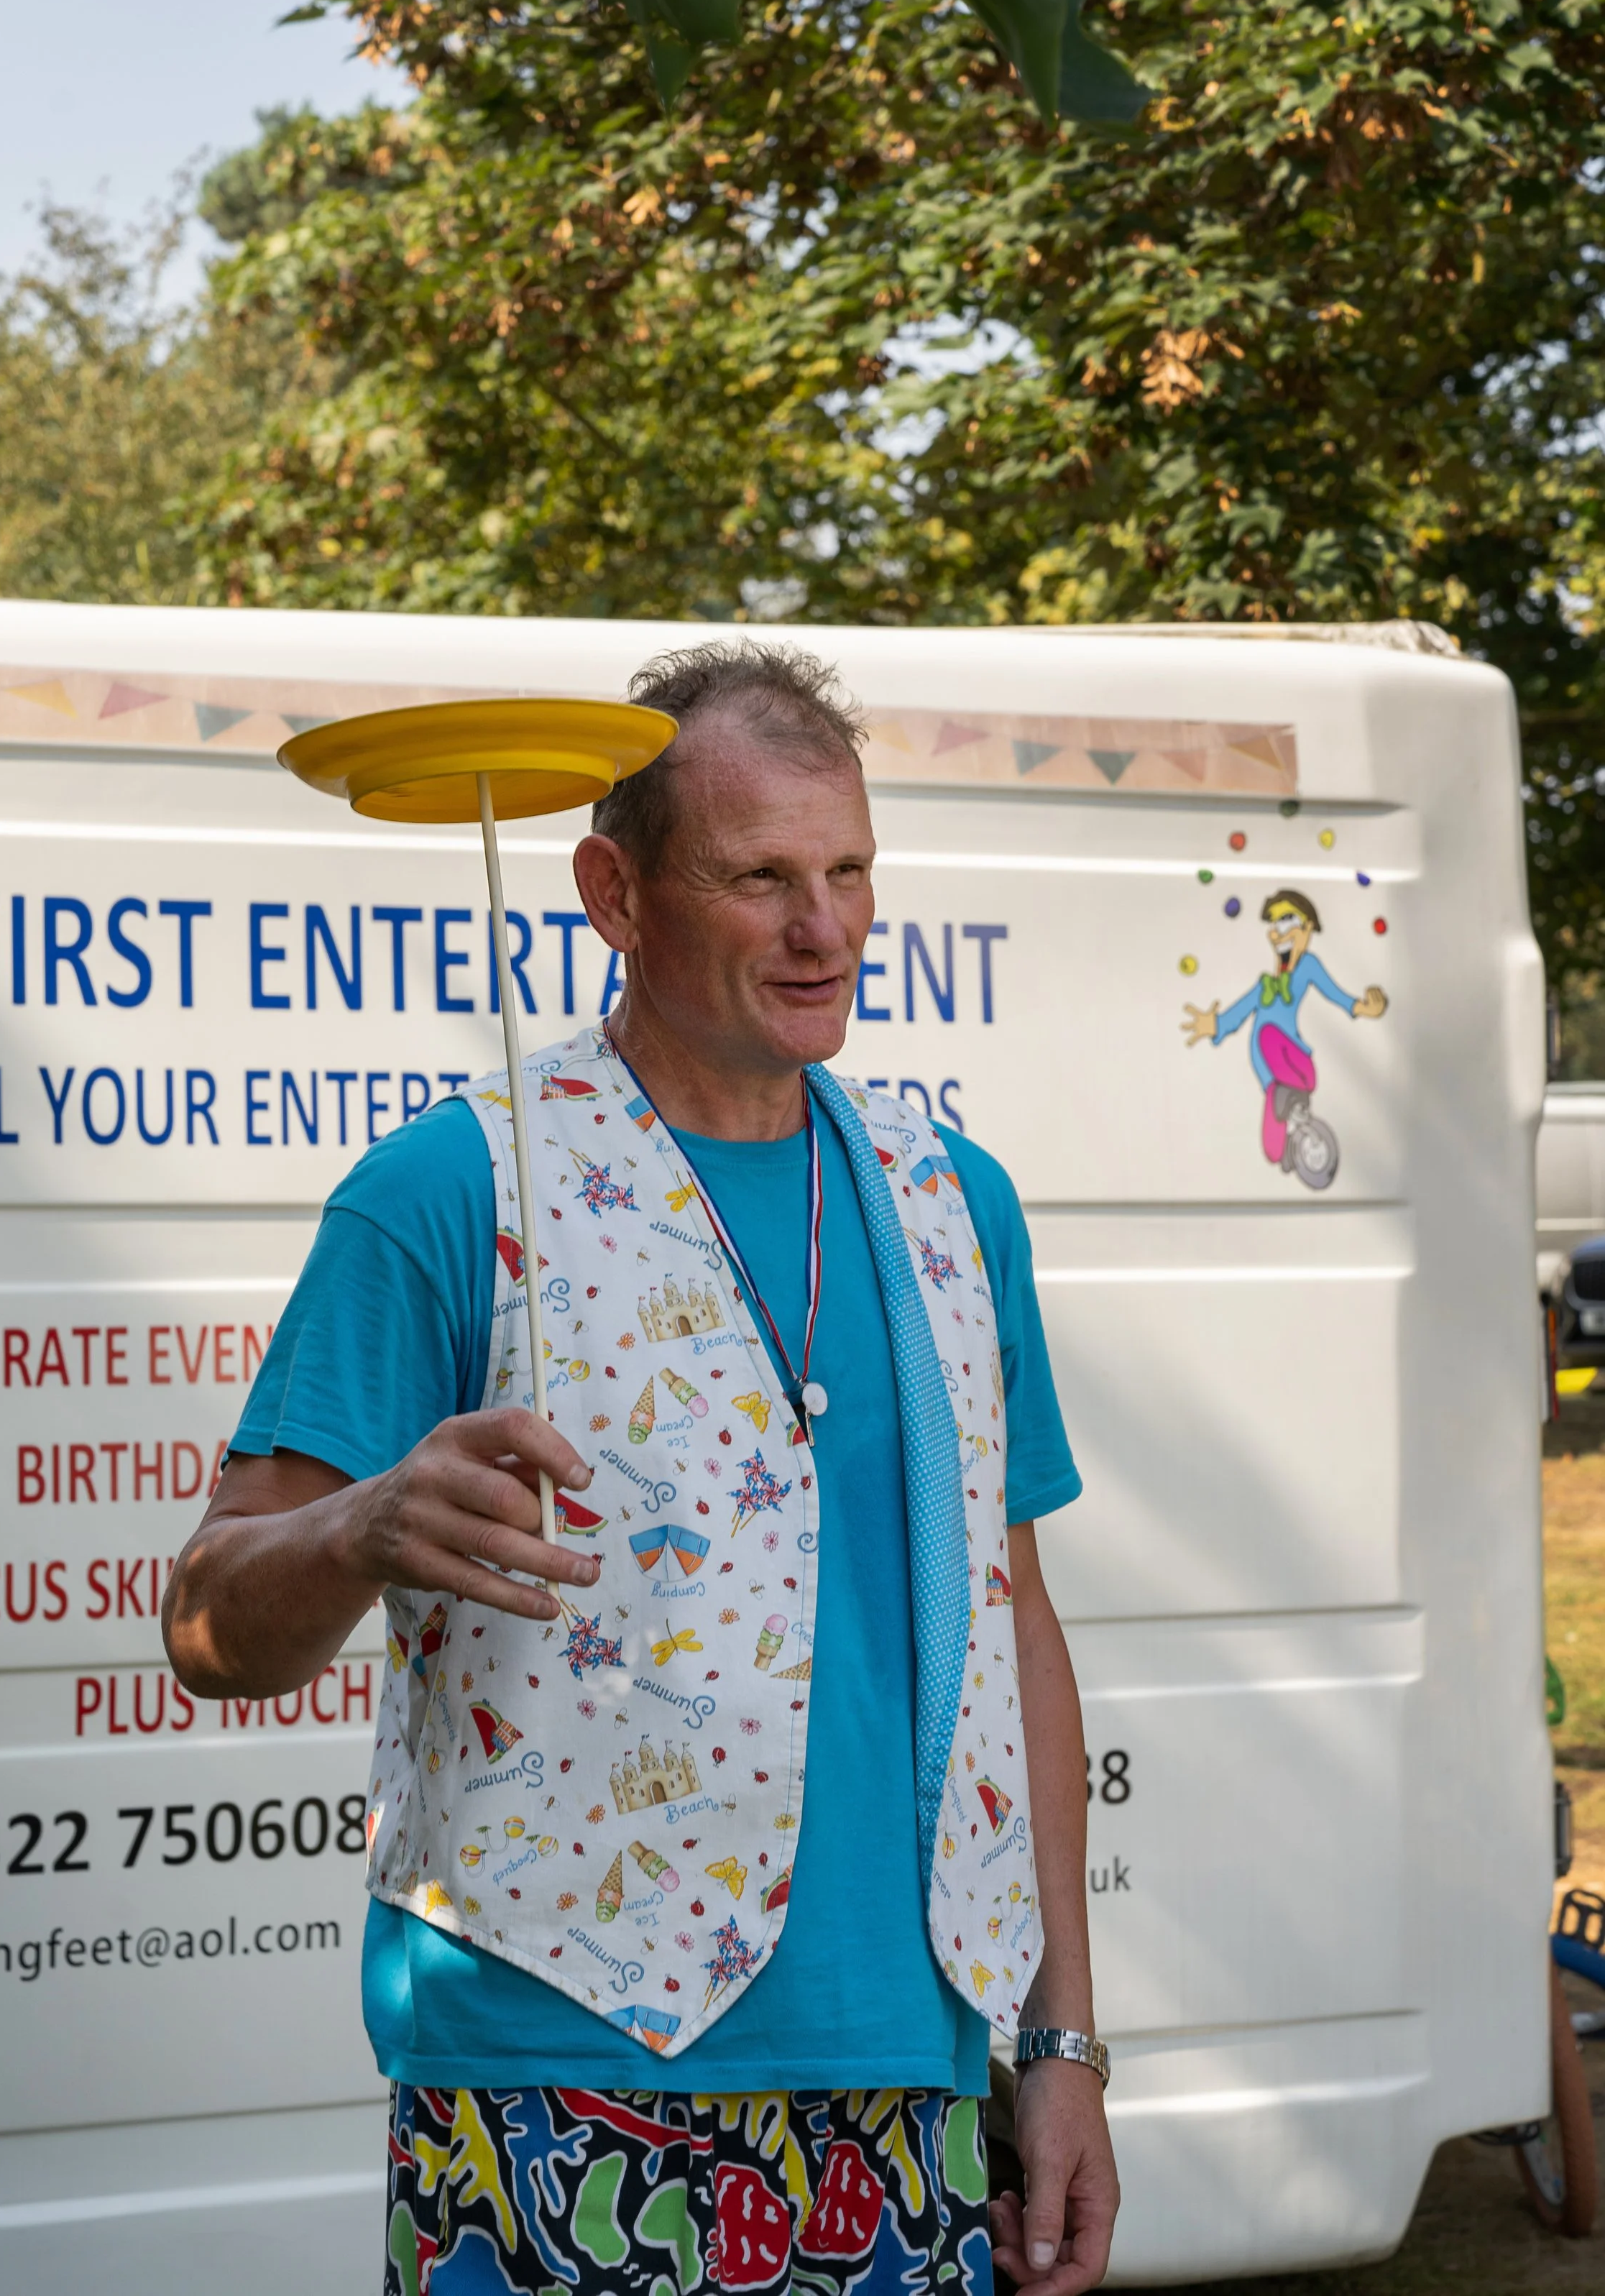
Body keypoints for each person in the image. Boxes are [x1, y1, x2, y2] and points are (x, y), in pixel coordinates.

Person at [163, 640, 1117, 2296]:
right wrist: (363, 1526)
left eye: (849, 870)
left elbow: (1017, 1623)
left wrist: (1066, 2035)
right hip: (552, 2072)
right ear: (614, 889)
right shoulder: (447, 1188)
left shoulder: (959, 1198)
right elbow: (204, 1622)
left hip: (920, 2070)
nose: (823, 926)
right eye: (760, 876)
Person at [1182, 886, 1388, 1173]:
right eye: (1274, 925)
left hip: (1295, 1066)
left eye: (1287, 921)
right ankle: (1295, 1145)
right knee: (1272, 1151)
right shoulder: (1264, 987)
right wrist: (1214, 1024)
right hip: (1273, 1083)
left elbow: (1333, 992)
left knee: (1267, 1033)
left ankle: (1294, 1095)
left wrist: (1362, 1007)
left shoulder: (1307, 967)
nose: (1277, 931)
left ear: (1307, 928)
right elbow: (1238, 1012)